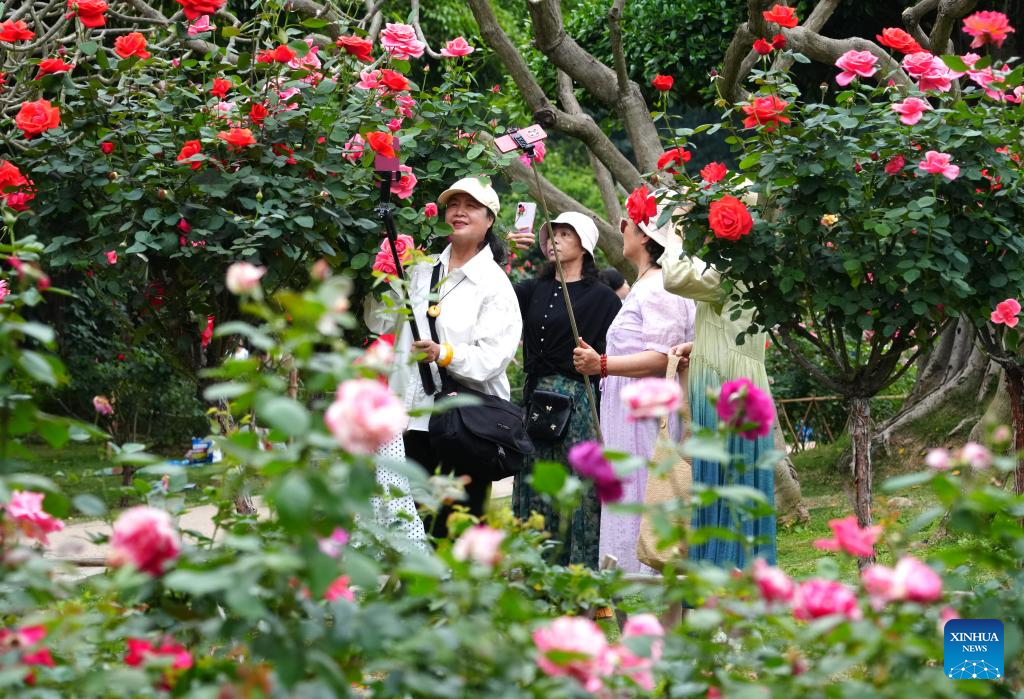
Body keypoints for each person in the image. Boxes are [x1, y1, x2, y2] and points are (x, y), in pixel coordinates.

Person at [365, 176, 521, 538]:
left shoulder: (494, 284)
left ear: (489, 220)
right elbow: (378, 320)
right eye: (454, 205)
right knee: (409, 525)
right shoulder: (420, 268)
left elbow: (494, 356)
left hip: (465, 425)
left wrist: (444, 353)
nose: (460, 212)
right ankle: (416, 594)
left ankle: (460, 594)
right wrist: (383, 276)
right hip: (412, 421)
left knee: (458, 529)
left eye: (471, 206)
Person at [572, 212, 696, 574]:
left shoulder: (659, 286)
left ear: (644, 236)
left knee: (646, 497)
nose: (620, 229)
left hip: (647, 417)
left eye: (626, 223)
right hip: (630, 417)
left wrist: (603, 365)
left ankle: (654, 591)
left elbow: (664, 355)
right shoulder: (646, 284)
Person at [511, 212, 622, 568]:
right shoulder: (531, 289)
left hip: (581, 400)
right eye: (552, 234)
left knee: (581, 489)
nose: (555, 239)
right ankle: (536, 571)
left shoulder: (604, 298)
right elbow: (493, 298)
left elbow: (613, 355)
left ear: (584, 245)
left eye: (564, 233)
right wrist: (504, 250)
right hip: (536, 400)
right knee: (536, 483)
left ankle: (582, 573)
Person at [660, 241, 777, 568]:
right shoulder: (757, 256)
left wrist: (678, 228)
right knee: (739, 481)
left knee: (724, 483)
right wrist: (697, 344)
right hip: (741, 375)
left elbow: (675, 276)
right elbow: (733, 323)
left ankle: (723, 576)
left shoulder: (731, 259)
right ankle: (744, 579)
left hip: (723, 383)